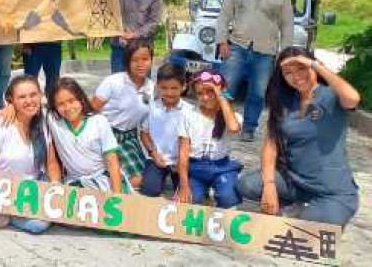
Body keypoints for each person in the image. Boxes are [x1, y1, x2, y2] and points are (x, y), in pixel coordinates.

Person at [237, 47, 361, 226]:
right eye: (288, 73)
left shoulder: (330, 95)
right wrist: (270, 184)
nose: (296, 76)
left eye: (301, 68)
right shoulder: (285, 103)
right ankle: (294, 206)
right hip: (293, 183)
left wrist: (313, 63)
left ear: (313, 68)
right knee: (247, 185)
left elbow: (353, 98)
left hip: (331, 191)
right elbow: (271, 146)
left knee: (319, 222)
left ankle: (303, 211)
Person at [216, 0, 294, 142]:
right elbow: (224, 17)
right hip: (237, 46)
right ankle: (219, 124)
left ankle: (249, 128)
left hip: (265, 52)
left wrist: (285, 54)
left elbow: (287, 26)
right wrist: (222, 42)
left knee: (257, 94)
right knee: (225, 89)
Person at [0, 75, 61, 233]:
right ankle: (7, 213)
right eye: (22, 97)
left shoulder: (43, 121)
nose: (29, 101)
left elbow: (51, 163)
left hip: (34, 186)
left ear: (41, 95)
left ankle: (11, 214)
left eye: (33, 94)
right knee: (38, 224)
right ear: (11, 100)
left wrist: (56, 186)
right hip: (6, 191)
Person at [91, 40, 154, 189]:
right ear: (127, 61)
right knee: (134, 181)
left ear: (151, 60)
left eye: (145, 59)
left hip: (130, 138)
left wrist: (155, 151)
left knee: (148, 179)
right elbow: (91, 110)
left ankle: (113, 177)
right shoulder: (113, 82)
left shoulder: (151, 88)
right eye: (135, 60)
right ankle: (105, 180)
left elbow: (146, 126)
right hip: (107, 135)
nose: (140, 64)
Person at [176, 69, 243, 208]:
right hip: (195, 168)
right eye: (200, 93)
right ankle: (203, 191)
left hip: (222, 167)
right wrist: (183, 185)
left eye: (210, 91)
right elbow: (183, 153)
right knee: (190, 201)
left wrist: (220, 95)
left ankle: (217, 189)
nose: (205, 97)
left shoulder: (231, 116)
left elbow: (233, 128)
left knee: (228, 199)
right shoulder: (188, 115)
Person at [46, 77, 124, 192]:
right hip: (74, 182)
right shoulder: (53, 120)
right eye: (60, 104)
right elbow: (29, 106)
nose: (68, 108)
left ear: (81, 99)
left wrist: (117, 196)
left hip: (103, 180)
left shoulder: (99, 121)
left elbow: (113, 163)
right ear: (55, 107)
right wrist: (11, 107)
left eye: (71, 101)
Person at [22, 0, 65, 97]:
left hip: (54, 42)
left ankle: (53, 111)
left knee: (53, 79)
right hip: (34, 43)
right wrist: (25, 40)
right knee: (30, 80)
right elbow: (24, 11)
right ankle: (31, 111)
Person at [139, 63, 186, 198]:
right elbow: (144, 133)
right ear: (157, 86)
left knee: (186, 193)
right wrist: (154, 153)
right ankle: (157, 177)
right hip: (156, 158)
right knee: (149, 190)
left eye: (174, 88)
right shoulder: (152, 108)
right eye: (164, 88)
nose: (169, 92)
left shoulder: (189, 111)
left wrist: (182, 162)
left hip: (181, 162)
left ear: (183, 86)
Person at [111, 0, 165, 74]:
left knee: (141, 86)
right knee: (118, 83)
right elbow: (112, 15)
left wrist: (134, 34)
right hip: (120, 47)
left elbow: (153, 23)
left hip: (142, 49)